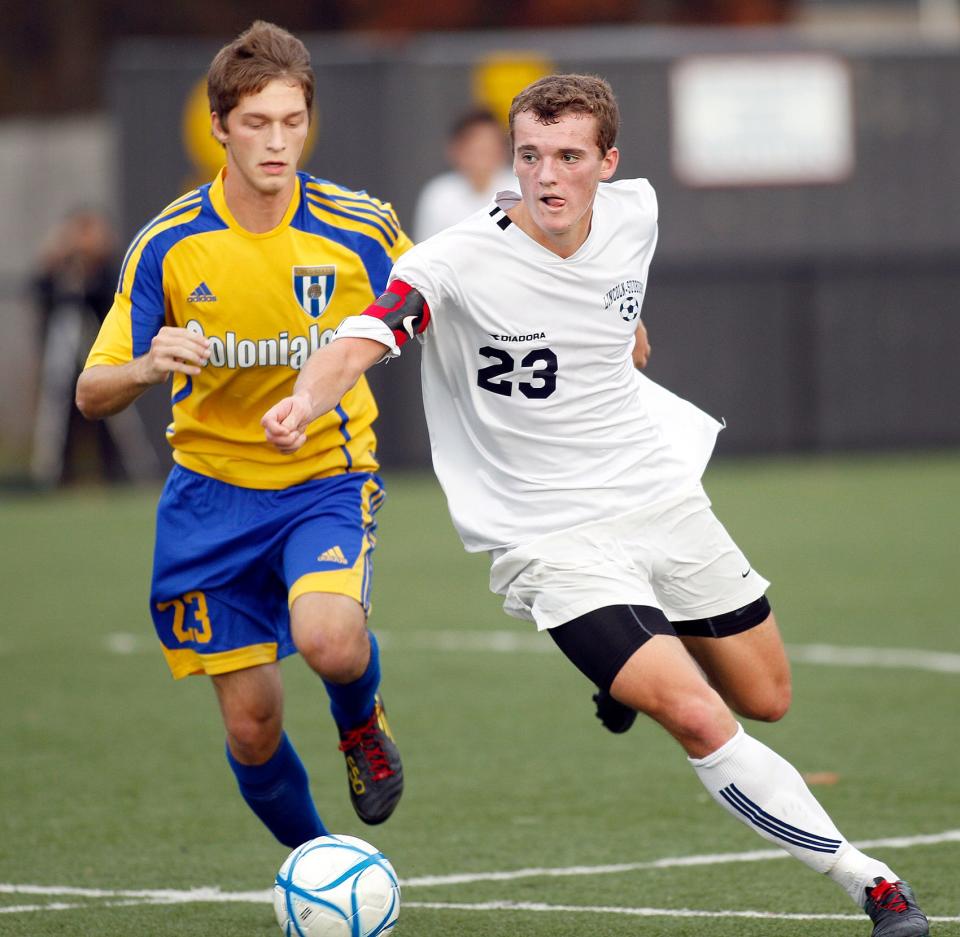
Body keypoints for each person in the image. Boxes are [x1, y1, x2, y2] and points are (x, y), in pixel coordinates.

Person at [262, 73, 931, 934]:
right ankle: (870, 883)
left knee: (768, 696)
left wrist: (628, 333)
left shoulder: (636, 215)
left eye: (569, 157)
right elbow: (364, 334)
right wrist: (306, 398)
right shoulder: (451, 259)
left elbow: (613, 309)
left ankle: (634, 652)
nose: (547, 176)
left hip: (656, 496)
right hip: (550, 538)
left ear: (606, 164)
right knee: (696, 711)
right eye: (530, 155)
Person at [75, 21, 410, 847]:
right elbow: (90, 391)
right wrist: (149, 364)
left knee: (329, 640)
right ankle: (324, 861)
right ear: (218, 126)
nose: (277, 141)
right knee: (254, 727)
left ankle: (360, 722)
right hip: (210, 502)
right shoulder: (169, 245)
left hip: (324, 480)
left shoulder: (360, 228)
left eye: (292, 121)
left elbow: (448, 291)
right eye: (257, 123)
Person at [411, 107, 517, 242]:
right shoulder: (439, 194)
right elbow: (424, 249)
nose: (482, 155)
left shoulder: (520, 190)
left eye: (488, 146)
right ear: (455, 150)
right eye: (475, 147)